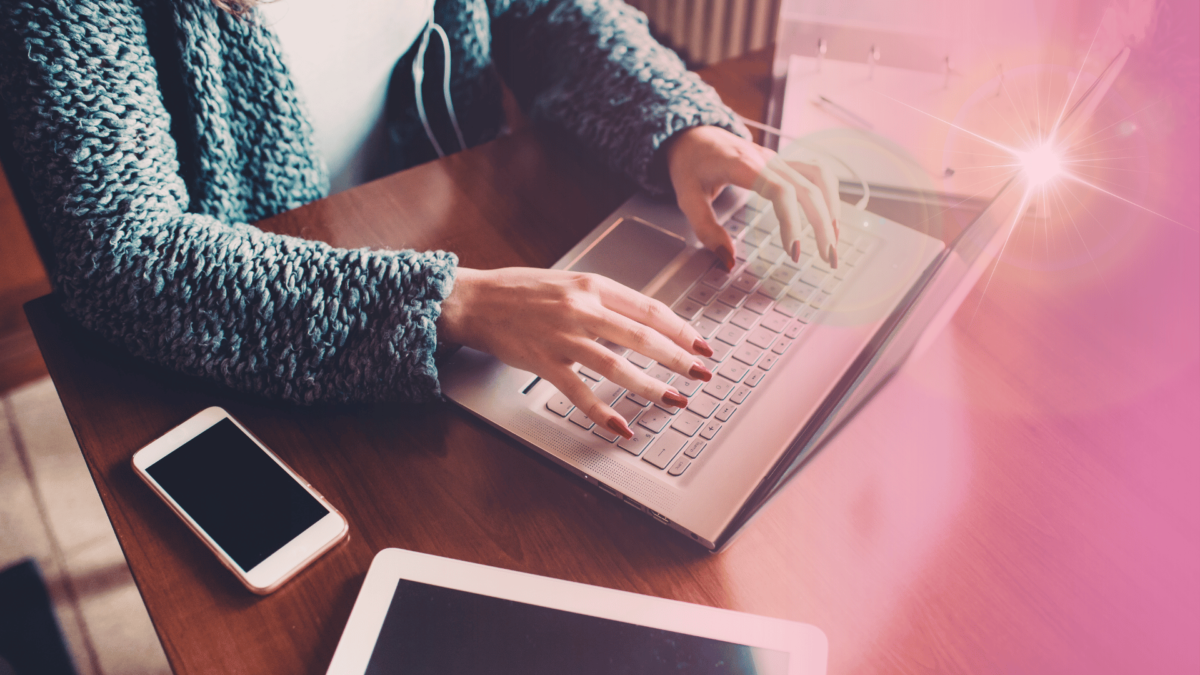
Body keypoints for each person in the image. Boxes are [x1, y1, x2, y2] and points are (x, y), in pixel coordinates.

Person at [0, 0, 838, 440]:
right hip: (254, 335)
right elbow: (125, 250)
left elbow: (541, 8)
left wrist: (678, 123)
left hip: (462, 253)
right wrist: (450, 304)